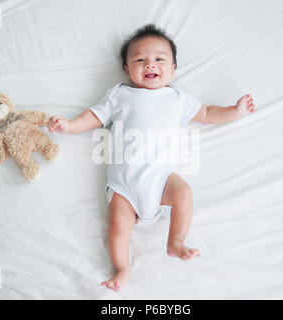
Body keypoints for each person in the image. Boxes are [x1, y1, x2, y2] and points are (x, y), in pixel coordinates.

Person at [47, 24, 255, 292]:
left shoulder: (177, 97)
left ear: (173, 69)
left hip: (161, 180)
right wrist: (69, 126)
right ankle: (122, 268)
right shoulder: (119, 94)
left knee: (184, 193)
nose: (150, 65)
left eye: (159, 59)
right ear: (126, 69)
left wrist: (234, 111)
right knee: (117, 226)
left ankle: (175, 241)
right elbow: (94, 117)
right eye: (139, 60)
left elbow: (207, 113)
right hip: (124, 186)